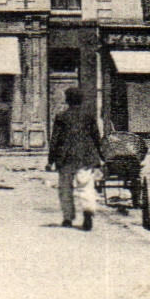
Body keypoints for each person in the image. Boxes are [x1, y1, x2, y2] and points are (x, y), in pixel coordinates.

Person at [48, 87, 102, 230]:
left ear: (67, 100)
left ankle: (67, 218)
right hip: (85, 156)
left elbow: (55, 140)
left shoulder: (61, 117)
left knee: (65, 188)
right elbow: (96, 137)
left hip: (65, 157)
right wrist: (100, 156)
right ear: (81, 99)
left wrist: (50, 160)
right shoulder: (89, 116)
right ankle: (88, 213)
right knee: (85, 186)